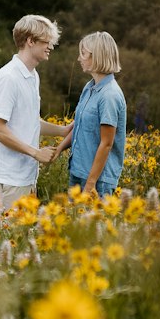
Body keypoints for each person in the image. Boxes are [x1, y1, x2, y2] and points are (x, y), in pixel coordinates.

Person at [0, 14, 70, 212]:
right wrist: (36, 153)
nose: (51, 47)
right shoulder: (9, 77)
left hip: (24, 175)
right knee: (9, 237)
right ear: (30, 41)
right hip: (8, 176)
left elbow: (28, 121)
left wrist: (63, 131)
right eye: (47, 42)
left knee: (23, 237)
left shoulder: (32, 75)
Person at [51, 31, 126, 196]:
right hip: (78, 171)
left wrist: (90, 185)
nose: (79, 59)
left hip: (97, 181)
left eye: (83, 54)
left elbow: (106, 143)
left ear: (97, 56)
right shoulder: (89, 87)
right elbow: (80, 127)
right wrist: (59, 149)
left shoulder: (109, 95)